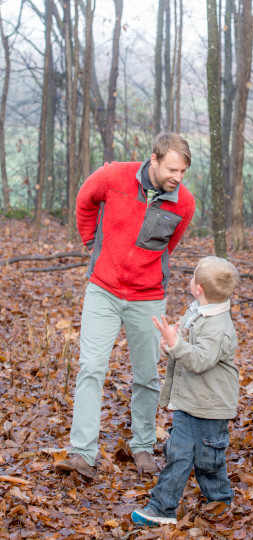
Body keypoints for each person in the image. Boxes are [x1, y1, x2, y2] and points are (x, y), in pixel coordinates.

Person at [55, 133, 195, 478]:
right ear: (154, 159)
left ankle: (144, 447)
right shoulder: (114, 176)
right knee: (91, 367)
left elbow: (169, 244)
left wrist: (144, 267)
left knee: (148, 376)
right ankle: (83, 453)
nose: (177, 177)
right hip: (103, 289)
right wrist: (92, 242)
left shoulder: (185, 203)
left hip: (147, 296)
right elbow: (85, 200)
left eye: (183, 171)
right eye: (172, 169)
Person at [131, 256, 240, 526]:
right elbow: (182, 346)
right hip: (188, 400)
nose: (190, 281)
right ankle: (162, 508)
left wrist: (175, 344)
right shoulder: (197, 310)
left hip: (211, 406)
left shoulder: (218, 327)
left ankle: (220, 498)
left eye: (193, 277)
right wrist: (170, 342)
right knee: (178, 454)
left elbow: (200, 360)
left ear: (198, 287)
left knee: (208, 459)